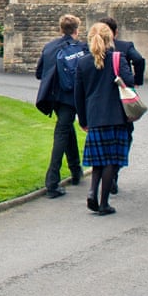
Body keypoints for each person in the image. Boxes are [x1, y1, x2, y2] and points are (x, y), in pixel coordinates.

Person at [73, 21, 133, 216]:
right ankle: (104, 203)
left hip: (94, 116)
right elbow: (129, 82)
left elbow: (78, 95)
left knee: (98, 160)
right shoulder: (117, 58)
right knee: (111, 161)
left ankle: (92, 192)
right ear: (111, 38)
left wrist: (83, 120)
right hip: (116, 116)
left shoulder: (83, 62)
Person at [34, 13, 88, 198]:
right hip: (70, 97)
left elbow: (39, 73)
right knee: (62, 132)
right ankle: (52, 183)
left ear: (61, 29)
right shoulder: (81, 48)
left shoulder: (49, 47)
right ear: (77, 29)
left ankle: (75, 170)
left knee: (66, 128)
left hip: (53, 97)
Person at [98, 17, 145, 196]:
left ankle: (103, 175)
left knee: (102, 138)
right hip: (121, 100)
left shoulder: (94, 48)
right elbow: (139, 60)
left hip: (100, 100)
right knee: (124, 136)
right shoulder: (124, 47)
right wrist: (136, 81)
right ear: (115, 32)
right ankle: (113, 174)